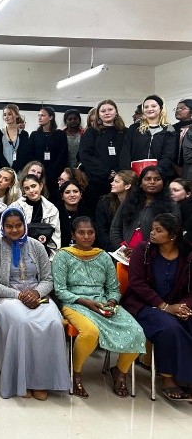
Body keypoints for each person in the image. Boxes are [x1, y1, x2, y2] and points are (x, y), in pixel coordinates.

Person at [52, 217, 145, 398]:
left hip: (102, 302)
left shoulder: (103, 256)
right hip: (75, 303)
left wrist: (112, 301)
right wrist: (86, 302)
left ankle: (120, 372)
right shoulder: (63, 256)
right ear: (73, 235)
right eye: (81, 233)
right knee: (90, 332)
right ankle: (75, 373)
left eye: (90, 232)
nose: (86, 236)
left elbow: (113, 288)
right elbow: (60, 291)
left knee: (137, 332)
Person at [0, 207, 69, 399]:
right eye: (9, 226)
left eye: (18, 225)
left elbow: (47, 279)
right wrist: (19, 295)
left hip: (37, 296)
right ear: (3, 227)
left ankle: (42, 381)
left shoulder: (36, 246)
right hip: (6, 298)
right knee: (22, 322)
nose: (14, 230)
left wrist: (36, 292)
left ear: (24, 225)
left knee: (54, 323)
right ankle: (21, 380)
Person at [121, 213, 192, 400]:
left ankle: (187, 378)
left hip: (176, 304)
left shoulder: (188, 254)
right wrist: (164, 306)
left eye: (158, 230)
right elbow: (137, 283)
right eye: (152, 229)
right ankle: (168, 378)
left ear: (172, 235)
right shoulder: (143, 250)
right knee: (170, 328)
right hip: (144, 305)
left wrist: (183, 307)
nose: (152, 233)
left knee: (187, 323)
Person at [110, 166, 179, 257]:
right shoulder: (129, 201)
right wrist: (122, 249)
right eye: (147, 179)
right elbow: (115, 228)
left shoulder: (171, 205)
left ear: (164, 183)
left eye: (157, 179)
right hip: (124, 256)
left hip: (154, 257)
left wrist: (142, 252)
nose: (152, 182)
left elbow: (173, 233)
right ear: (140, 183)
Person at [119, 95, 176, 180]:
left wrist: (156, 172)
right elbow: (125, 152)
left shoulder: (169, 128)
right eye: (146, 107)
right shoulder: (134, 128)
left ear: (161, 108)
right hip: (134, 176)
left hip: (160, 175)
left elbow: (169, 154)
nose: (149, 109)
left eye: (153, 106)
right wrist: (127, 173)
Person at [9, 174, 61, 251]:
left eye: (33, 186)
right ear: (24, 191)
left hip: (44, 251)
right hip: (18, 249)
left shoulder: (51, 209)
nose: (31, 191)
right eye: (27, 188)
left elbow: (55, 238)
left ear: (41, 186)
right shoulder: (15, 207)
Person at [27, 106, 68, 202]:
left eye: (43, 115)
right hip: (37, 174)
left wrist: (52, 173)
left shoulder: (60, 134)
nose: (39, 117)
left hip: (55, 175)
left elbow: (62, 156)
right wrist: (38, 171)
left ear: (51, 117)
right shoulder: (35, 135)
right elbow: (30, 155)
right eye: (39, 115)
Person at [95, 170, 136, 251]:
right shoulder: (105, 202)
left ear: (127, 186)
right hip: (110, 248)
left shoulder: (139, 204)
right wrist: (115, 249)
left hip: (132, 249)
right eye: (113, 180)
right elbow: (101, 230)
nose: (111, 183)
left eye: (116, 181)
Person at [0, 104, 30, 174]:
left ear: (17, 115)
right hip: (1, 171)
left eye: (9, 114)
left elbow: (23, 155)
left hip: (18, 171)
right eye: (4, 115)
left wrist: (13, 171)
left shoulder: (24, 134)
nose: (6, 117)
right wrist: (7, 171)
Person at [58, 180, 94, 248]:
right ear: (62, 196)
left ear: (81, 194)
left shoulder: (87, 212)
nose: (72, 195)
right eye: (67, 192)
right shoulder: (55, 211)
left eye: (75, 191)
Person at [172, 99, 192, 177]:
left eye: (182, 108)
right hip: (172, 169)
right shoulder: (171, 128)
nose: (178, 110)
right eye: (177, 108)